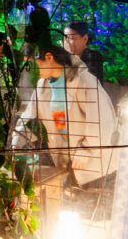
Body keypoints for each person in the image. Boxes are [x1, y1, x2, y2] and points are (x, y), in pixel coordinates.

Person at [10, 41, 116, 187]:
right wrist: (17, 143)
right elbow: (28, 117)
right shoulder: (42, 85)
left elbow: (103, 121)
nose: (31, 70)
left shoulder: (84, 81)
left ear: (49, 57)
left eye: (34, 64)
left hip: (95, 169)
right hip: (66, 164)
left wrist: (86, 151)